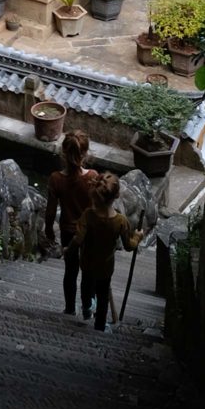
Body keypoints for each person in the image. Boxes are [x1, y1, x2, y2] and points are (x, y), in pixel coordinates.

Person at [75, 174, 140, 333]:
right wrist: (138, 237)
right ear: (117, 195)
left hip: (87, 262)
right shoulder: (121, 221)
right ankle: (100, 326)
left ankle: (88, 307)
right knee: (103, 296)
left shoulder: (88, 215)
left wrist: (70, 249)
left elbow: (79, 239)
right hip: (105, 266)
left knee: (86, 286)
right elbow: (129, 246)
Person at [43, 130, 96, 317]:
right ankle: (87, 308)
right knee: (88, 271)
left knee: (70, 271)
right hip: (88, 233)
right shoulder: (92, 177)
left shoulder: (56, 179)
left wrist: (49, 229)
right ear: (85, 153)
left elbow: (50, 211)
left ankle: (70, 308)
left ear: (64, 153)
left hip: (67, 231)